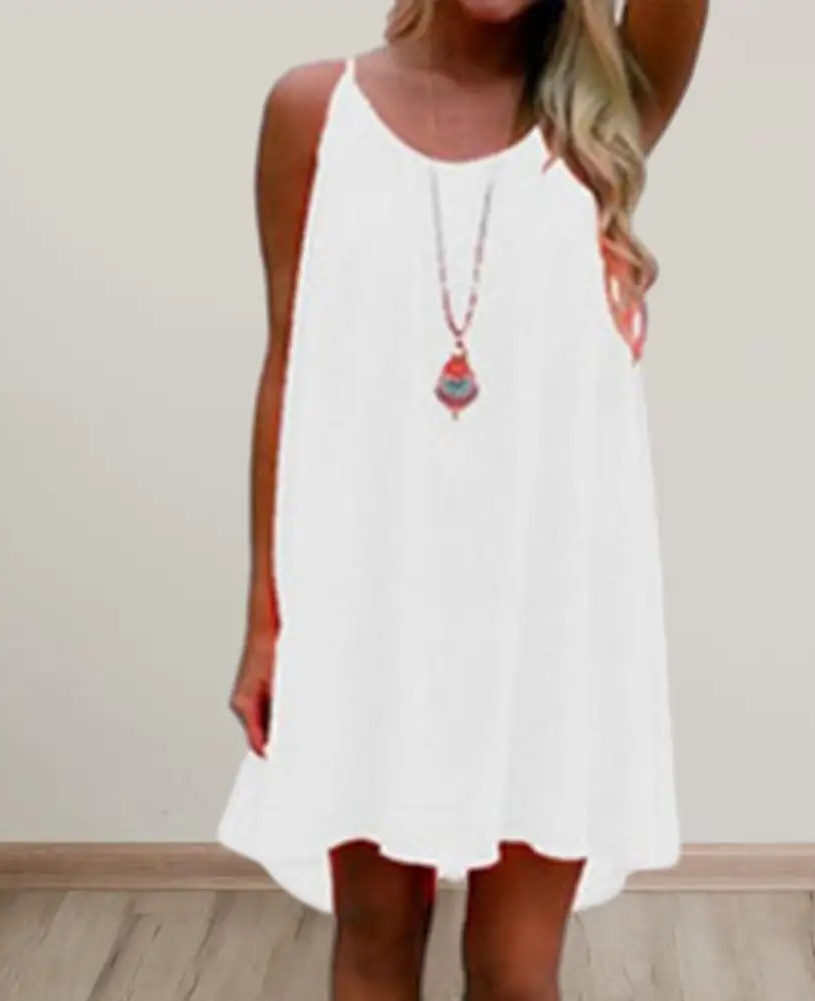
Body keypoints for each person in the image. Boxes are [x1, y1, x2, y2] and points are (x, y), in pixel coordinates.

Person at [219, 1, 708, 998]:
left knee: (516, 970)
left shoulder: (595, 122)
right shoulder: (314, 111)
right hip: (367, 606)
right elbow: (287, 368)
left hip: (546, 619)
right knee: (375, 936)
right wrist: (264, 619)